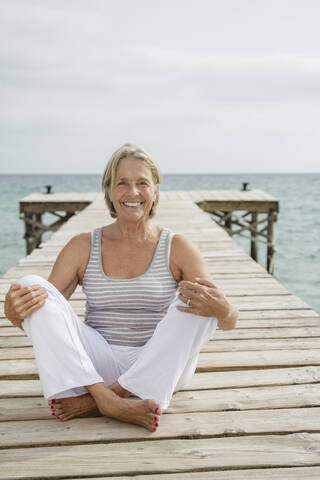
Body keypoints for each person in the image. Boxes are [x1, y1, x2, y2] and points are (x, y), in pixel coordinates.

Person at [4, 143, 238, 432]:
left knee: (199, 302)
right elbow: (47, 315)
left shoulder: (177, 247)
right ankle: (111, 399)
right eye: (122, 183)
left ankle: (96, 401)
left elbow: (226, 321)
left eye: (142, 183)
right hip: (97, 362)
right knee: (32, 285)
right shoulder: (83, 245)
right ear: (109, 190)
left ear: (155, 190)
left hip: (160, 362)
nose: (133, 193)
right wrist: (13, 312)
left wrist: (225, 310)